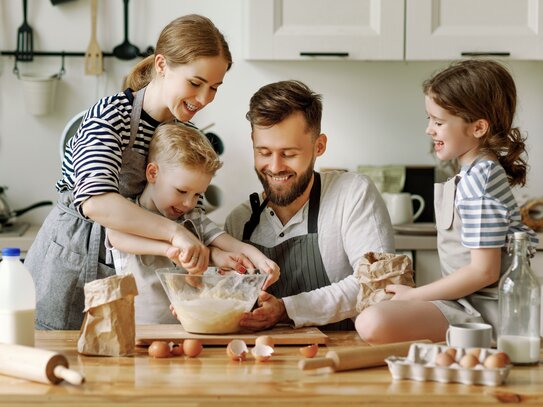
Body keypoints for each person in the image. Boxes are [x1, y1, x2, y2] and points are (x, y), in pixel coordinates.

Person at [25, 14, 234, 330]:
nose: (204, 99)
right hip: (71, 266)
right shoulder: (110, 115)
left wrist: (221, 253)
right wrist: (174, 233)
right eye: (195, 83)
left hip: (132, 275)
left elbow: (191, 218)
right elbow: (97, 202)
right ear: (162, 65)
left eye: (214, 88)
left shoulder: (183, 131)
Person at [355, 59, 539, 344]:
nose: (430, 129)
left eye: (439, 122)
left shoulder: (481, 180)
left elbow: (484, 271)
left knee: (371, 322)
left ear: (478, 128)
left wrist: (415, 295)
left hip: (485, 311)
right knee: (374, 317)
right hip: (465, 303)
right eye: (429, 119)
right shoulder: (474, 172)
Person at [225, 80, 395, 331]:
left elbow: (377, 282)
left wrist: (286, 309)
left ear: (319, 146)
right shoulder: (239, 222)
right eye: (263, 152)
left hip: (342, 356)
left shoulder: (351, 194)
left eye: (289, 154)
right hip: (261, 361)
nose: (274, 167)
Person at [106, 123, 279, 324]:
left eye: (198, 194)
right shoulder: (129, 213)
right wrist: (168, 249)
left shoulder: (193, 217)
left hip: (188, 327)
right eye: (181, 191)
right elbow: (115, 236)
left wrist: (261, 261)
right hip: (138, 331)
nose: (189, 203)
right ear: (153, 173)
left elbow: (227, 241)